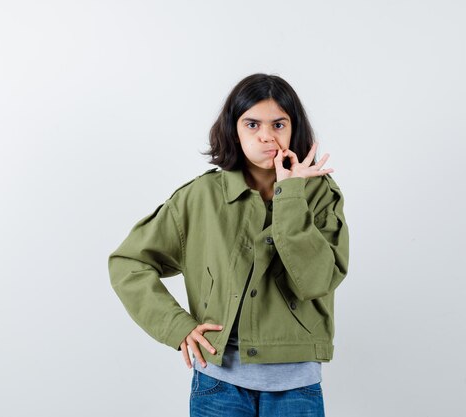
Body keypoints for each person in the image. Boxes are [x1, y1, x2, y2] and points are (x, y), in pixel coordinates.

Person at [108, 73, 350, 417]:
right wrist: (178, 327)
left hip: (296, 383)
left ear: (294, 129)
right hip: (218, 382)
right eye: (252, 124)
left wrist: (291, 194)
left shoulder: (320, 194)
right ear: (233, 129)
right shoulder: (199, 197)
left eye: (279, 124)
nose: (266, 136)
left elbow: (316, 281)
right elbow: (128, 263)